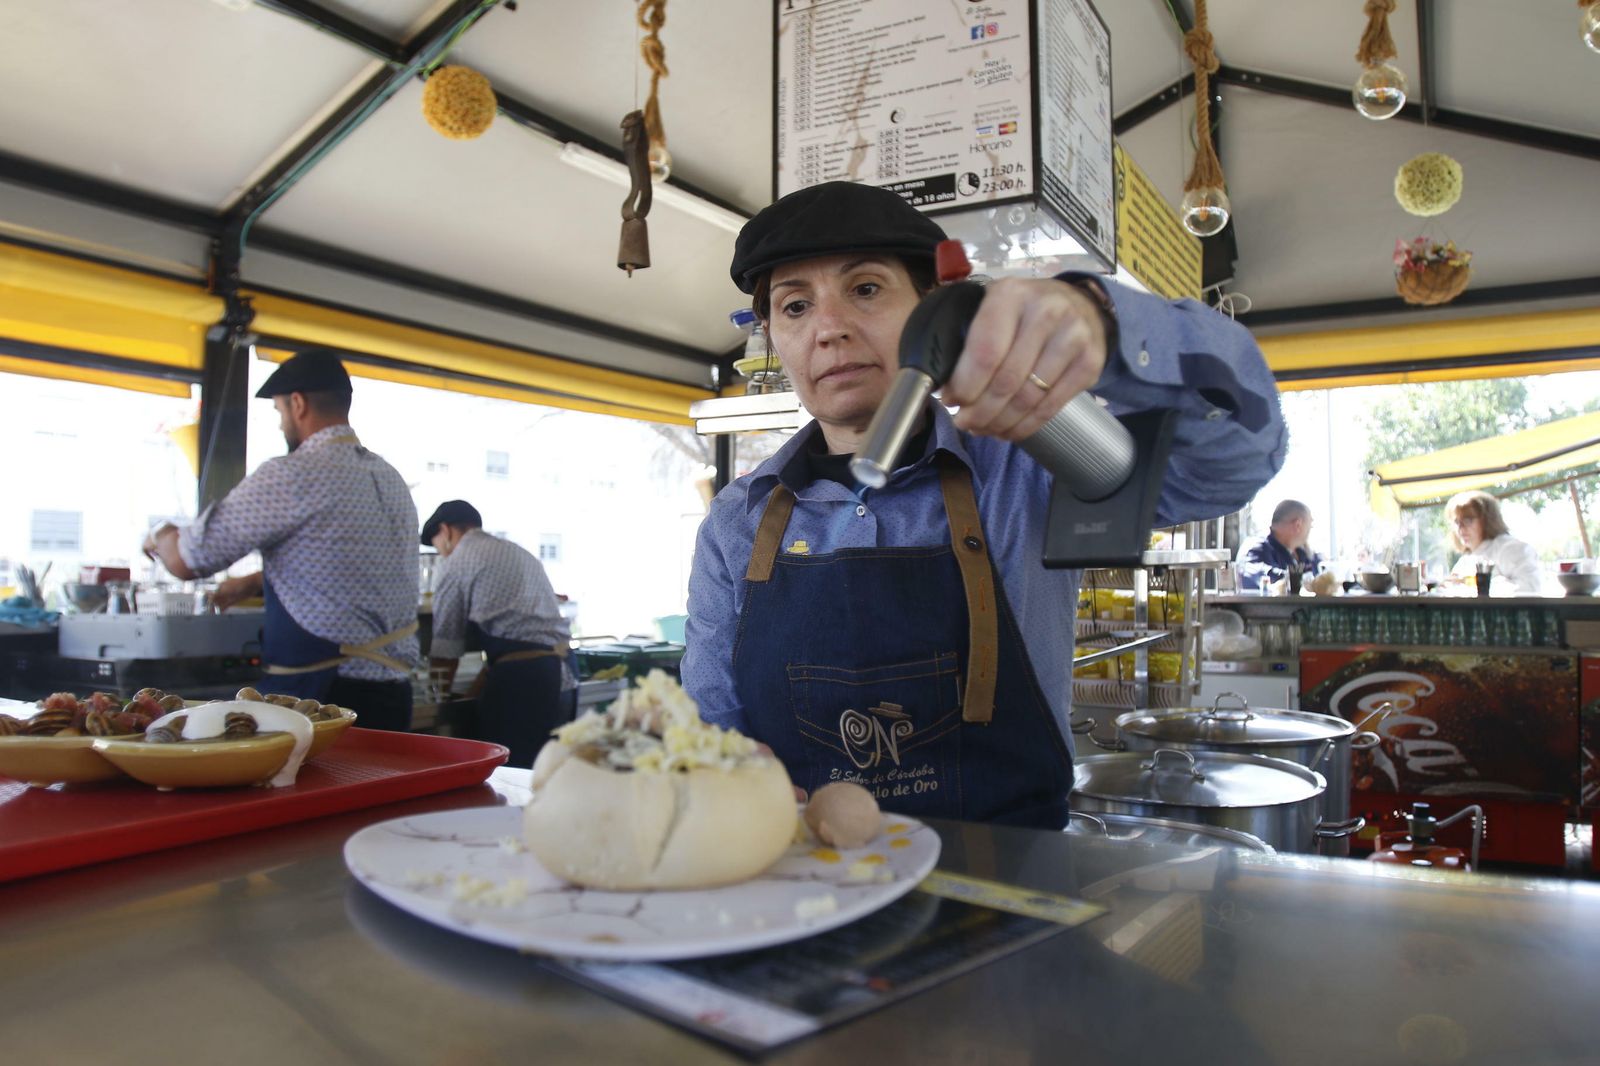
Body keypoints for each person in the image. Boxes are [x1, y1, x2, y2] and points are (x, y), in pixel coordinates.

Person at [680, 180, 1286, 828]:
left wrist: (1106, 329)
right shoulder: (738, 524)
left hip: (1014, 895)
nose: (829, 329)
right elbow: (710, 728)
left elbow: (1236, 460)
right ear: (771, 333)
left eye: (866, 289)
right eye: (795, 307)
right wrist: (725, 778)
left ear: (931, 308)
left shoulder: (1029, 467)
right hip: (809, 894)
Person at [143, 349, 420, 731]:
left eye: (278, 412)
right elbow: (350, 564)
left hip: (322, 698)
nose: (280, 425)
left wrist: (159, 532)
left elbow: (187, 560)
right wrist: (254, 582)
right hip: (393, 696)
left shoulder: (292, 475)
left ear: (298, 403)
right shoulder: (389, 479)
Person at [422, 500, 574, 767]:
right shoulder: (517, 552)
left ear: (445, 531)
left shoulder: (456, 562)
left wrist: (439, 699)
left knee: (509, 777)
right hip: (564, 675)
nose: (439, 552)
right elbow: (516, 637)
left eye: (435, 544)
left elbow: (447, 644)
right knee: (545, 778)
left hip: (524, 682)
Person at [1445, 490, 1542, 595]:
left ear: (1487, 519)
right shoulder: (1464, 562)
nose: (1461, 528)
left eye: (1468, 520)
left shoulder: (1511, 549)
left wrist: (1475, 583)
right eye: (1457, 522)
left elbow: (1529, 591)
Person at [1235, 499, 1323, 592]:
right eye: (1310, 524)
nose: (1310, 529)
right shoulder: (1257, 549)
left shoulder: (1304, 554)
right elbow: (1256, 574)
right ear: (1298, 524)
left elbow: (1322, 575)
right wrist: (1295, 579)